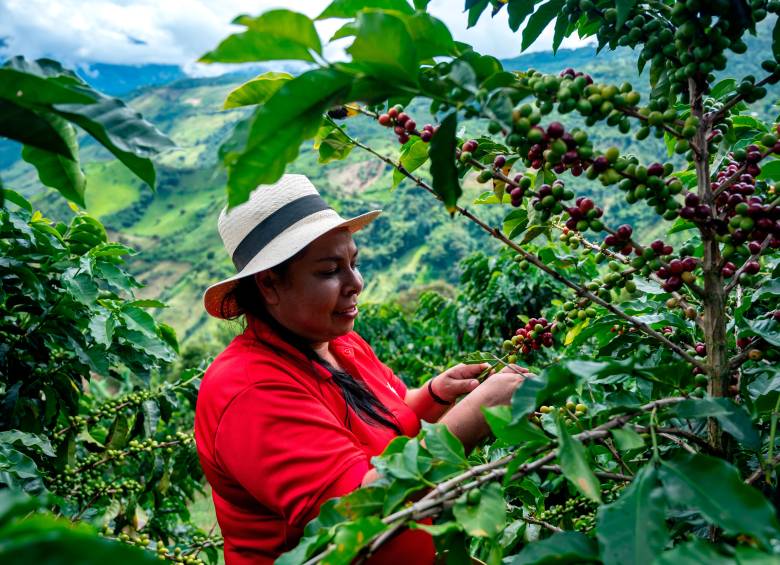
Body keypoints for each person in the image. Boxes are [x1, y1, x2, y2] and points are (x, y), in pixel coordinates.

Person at [194, 174, 527, 564]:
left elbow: (391, 419)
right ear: (269, 285)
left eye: (353, 263)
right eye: (329, 270)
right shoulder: (251, 391)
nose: (356, 283)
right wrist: (480, 413)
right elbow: (362, 509)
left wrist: (436, 394)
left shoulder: (338, 343)